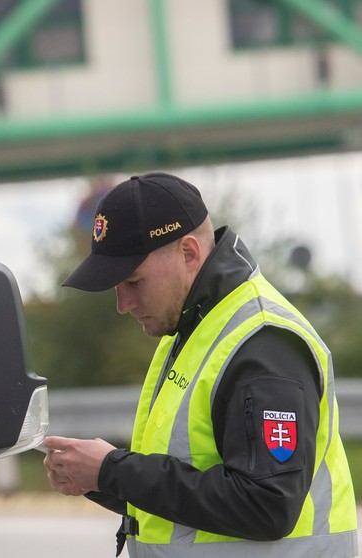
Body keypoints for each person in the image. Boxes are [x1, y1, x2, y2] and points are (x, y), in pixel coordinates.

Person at [42, 172, 357, 557]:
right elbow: (189, 504)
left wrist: (114, 470)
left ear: (188, 253)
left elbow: (267, 505)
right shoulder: (193, 330)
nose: (122, 304)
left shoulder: (261, 341)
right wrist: (103, 480)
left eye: (134, 282)